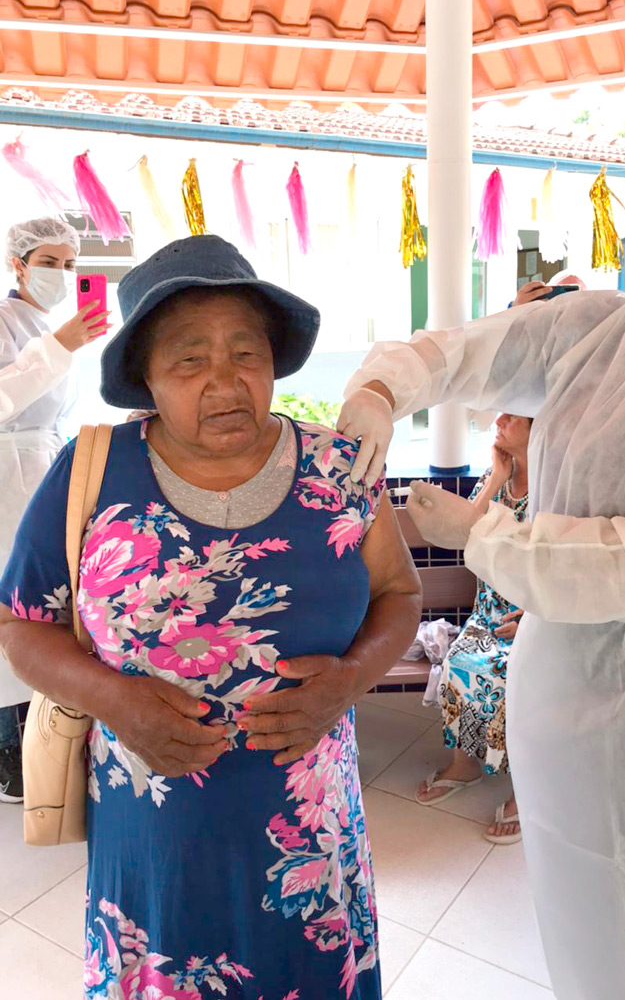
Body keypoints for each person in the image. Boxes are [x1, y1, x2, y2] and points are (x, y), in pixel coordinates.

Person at [336, 98, 625, 1000]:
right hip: (558, 678)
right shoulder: (591, 328)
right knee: (582, 926)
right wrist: (380, 389)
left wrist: (482, 533)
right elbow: (459, 352)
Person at [0, 235, 421, 1000]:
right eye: (189, 360)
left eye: (246, 354)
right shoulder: (93, 469)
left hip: (311, 832)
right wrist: (116, 698)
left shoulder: (341, 469)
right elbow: (18, 624)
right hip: (154, 834)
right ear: (147, 380)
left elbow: (400, 594)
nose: (225, 381)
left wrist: (352, 680)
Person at [0, 217, 110, 803]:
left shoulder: (48, 326)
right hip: (5, 477)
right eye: (50, 261)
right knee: (11, 606)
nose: (63, 274)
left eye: (71, 264)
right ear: (18, 263)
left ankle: (44, 738)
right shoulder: (6, 321)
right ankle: (9, 750)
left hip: (44, 471)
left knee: (48, 606)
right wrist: (60, 346)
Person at [416, 414, 530, 846]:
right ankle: (464, 764)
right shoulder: (497, 475)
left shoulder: (558, 486)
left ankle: (528, 789)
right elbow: (464, 533)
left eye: (514, 417)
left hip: (532, 615)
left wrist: (532, 617)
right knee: (461, 663)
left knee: (518, 681)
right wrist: (499, 475)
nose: (499, 420)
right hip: (488, 611)